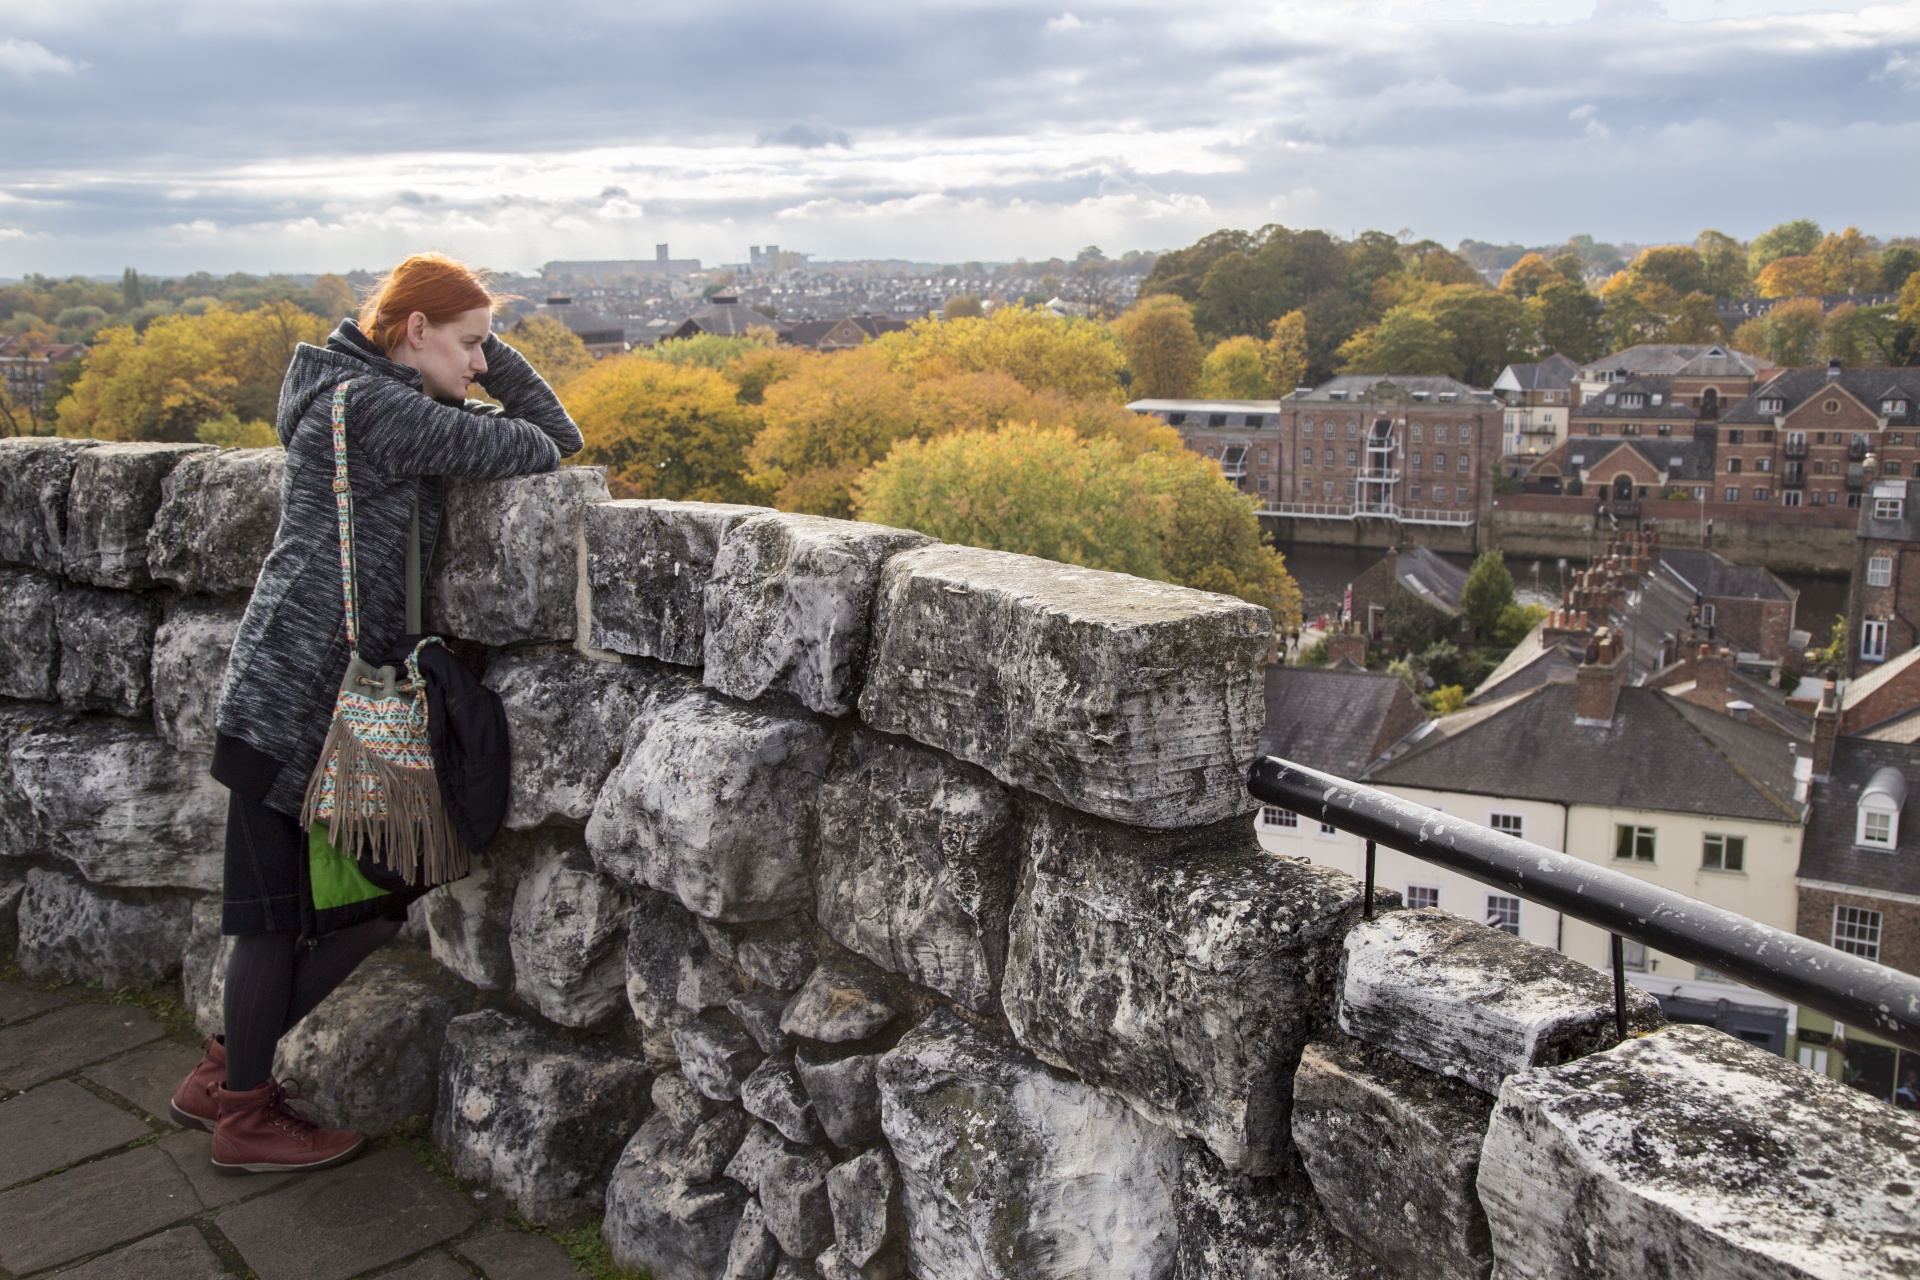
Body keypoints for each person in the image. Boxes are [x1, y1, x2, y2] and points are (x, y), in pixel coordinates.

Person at [167, 254, 583, 1174]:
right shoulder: (386, 411)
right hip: (299, 700)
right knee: (283, 917)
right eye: (470, 345)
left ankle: (223, 1078)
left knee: (368, 902)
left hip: (298, 687)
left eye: (486, 348)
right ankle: (242, 1114)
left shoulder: (363, 395)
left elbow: (541, 434)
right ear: (413, 333)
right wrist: (480, 355)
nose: (480, 366)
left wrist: (468, 336)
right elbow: (549, 441)